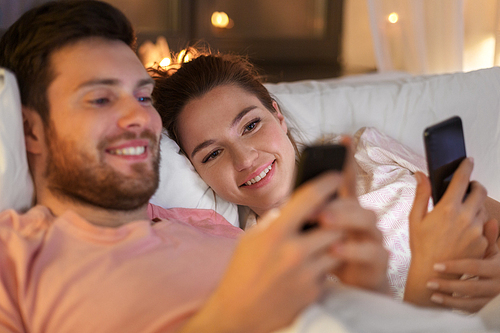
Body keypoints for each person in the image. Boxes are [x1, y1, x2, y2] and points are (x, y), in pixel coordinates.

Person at [0, 1, 394, 332]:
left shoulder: (216, 229)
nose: (138, 119)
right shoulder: (16, 259)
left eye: (142, 98)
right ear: (30, 130)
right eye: (100, 99)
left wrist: (373, 293)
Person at [150, 52, 500, 312]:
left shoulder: (367, 149)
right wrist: (431, 285)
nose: (245, 159)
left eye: (251, 125)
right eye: (212, 154)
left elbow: (486, 210)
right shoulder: (257, 259)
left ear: (279, 115)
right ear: (196, 171)